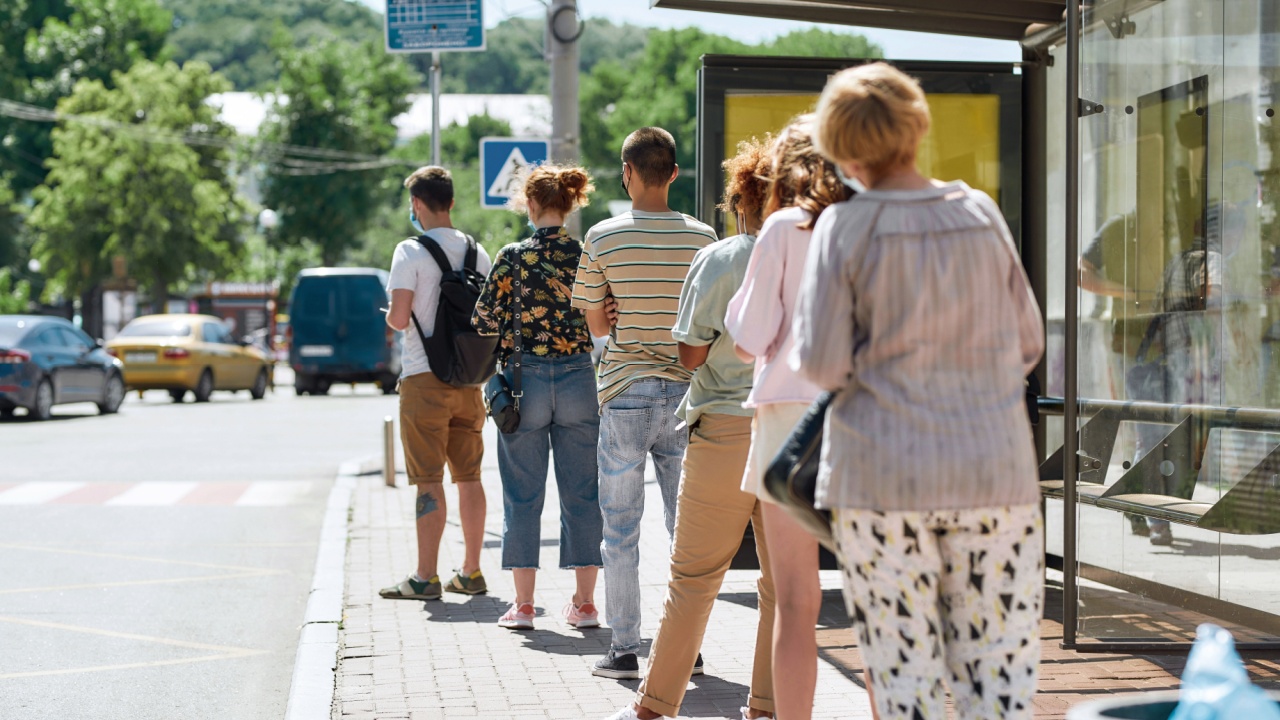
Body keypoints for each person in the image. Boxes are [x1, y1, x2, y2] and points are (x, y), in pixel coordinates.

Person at [793, 63, 1045, 720]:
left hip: (880, 481)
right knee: (998, 679)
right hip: (993, 472)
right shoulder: (979, 212)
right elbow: (1028, 342)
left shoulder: (843, 230)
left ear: (840, 146)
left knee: (907, 684)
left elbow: (820, 364)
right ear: (917, 125)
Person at [607, 139, 776, 720]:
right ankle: (766, 706)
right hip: (793, 432)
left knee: (694, 579)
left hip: (726, 427)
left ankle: (654, 707)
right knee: (781, 587)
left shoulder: (724, 257)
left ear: (739, 201)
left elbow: (690, 355)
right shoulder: (815, 259)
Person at [571, 127, 718, 679]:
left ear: (627, 172)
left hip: (625, 391)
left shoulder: (604, 237)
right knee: (686, 530)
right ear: (675, 173)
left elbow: (591, 314)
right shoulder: (703, 239)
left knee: (620, 529)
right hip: (686, 394)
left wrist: (615, 333)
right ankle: (687, 651)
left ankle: (625, 649)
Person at [723, 116, 853, 720]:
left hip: (786, 423)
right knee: (874, 600)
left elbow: (749, 338)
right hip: (863, 414)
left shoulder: (782, 227)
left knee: (796, 599)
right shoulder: (874, 222)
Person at [472, 165, 605, 630]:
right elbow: (602, 316)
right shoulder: (586, 253)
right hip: (577, 380)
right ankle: (585, 605)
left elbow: (484, 321)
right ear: (568, 205)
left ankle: (525, 607)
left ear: (530, 206)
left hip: (523, 382)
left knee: (523, 496)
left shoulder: (512, 256)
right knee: (583, 495)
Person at [379, 165, 491, 601]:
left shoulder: (409, 251)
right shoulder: (477, 252)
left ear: (418, 205)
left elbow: (400, 317)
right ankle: (472, 571)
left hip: (424, 381)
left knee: (429, 481)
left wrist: (389, 315)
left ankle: (426, 577)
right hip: (469, 381)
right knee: (470, 477)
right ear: (452, 203)